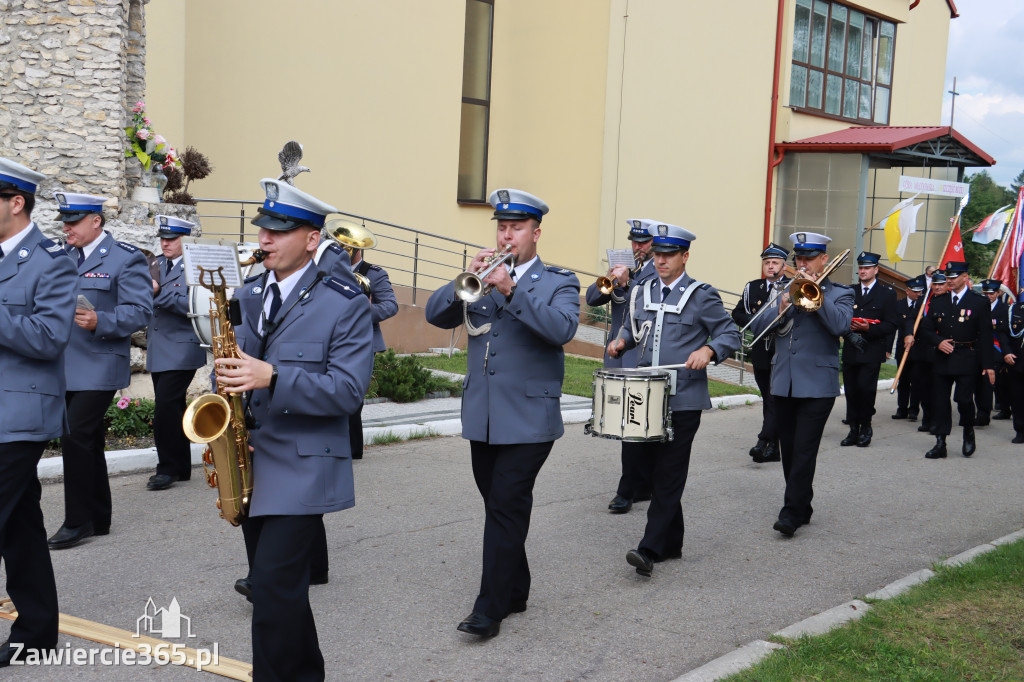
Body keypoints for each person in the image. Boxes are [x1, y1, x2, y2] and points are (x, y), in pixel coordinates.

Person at [214, 178, 373, 679]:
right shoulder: (250, 290)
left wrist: (275, 376)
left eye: (279, 230)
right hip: (253, 461)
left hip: (304, 468)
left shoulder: (345, 299)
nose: (264, 239)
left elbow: (348, 392)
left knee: (271, 592)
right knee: (281, 593)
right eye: (263, 228)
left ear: (311, 239)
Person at [425, 188, 579, 637]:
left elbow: (562, 329)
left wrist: (511, 290)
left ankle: (489, 609)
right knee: (499, 506)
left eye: (516, 227)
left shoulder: (558, 282)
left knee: (506, 505)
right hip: (484, 415)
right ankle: (516, 588)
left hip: (530, 418)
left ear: (536, 232)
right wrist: (465, 276)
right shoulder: (484, 277)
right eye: (502, 226)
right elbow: (437, 316)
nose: (507, 235)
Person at [607, 222, 739, 577]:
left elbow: (730, 332)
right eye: (658, 254)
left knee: (668, 473)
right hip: (646, 395)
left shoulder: (702, 295)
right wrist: (622, 342)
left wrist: (709, 349)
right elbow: (635, 330)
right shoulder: (643, 289)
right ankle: (673, 542)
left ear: (685, 256)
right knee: (652, 472)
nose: (661, 260)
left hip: (683, 398)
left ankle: (648, 549)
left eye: (669, 255)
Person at [0, 157, 75, 666]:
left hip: (19, 413)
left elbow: (49, 338)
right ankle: (36, 630)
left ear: (15, 202)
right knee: (19, 523)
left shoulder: (51, 259)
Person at [48, 192, 152, 550]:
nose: (66, 228)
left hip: (100, 362)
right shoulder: (62, 257)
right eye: (65, 221)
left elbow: (141, 311)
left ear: (95, 221)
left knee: (75, 435)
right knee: (86, 439)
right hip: (66, 364)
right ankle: (99, 516)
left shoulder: (125, 258)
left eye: (73, 221)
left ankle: (77, 521)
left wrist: (101, 320)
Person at [748, 232, 853, 537]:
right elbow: (757, 328)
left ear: (824, 259)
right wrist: (780, 303)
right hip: (783, 381)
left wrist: (814, 294)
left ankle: (790, 512)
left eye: (809, 258)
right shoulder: (782, 290)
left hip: (818, 384)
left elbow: (840, 326)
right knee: (790, 449)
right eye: (799, 259)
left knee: (805, 449)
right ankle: (802, 504)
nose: (803, 264)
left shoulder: (840, 293)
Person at [586, 218, 656, 514]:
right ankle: (641, 485)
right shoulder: (624, 269)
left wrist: (627, 284)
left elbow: (640, 310)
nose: (637, 247)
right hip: (619, 358)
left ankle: (626, 491)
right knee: (631, 426)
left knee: (634, 425)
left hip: (643, 358)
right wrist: (610, 279)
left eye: (643, 242)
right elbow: (591, 298)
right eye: (634, 241)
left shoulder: (657, 272)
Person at [145, 215, 205, 491]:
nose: (165, 243)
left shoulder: (197, 266)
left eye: (172, 238)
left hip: (182, 347)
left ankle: (167, 468)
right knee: (174, 405)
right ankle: (180, 467)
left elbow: (192, 306)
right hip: (159, 347)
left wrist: (157, 293)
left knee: (165, 407)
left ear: (186, 239)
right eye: (163, 238)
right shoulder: (154, 263)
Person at [918, 261, 994, 459]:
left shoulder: (979, 302)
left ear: (965, 277)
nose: (950, 281)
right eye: (948, 277)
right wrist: (938, 341)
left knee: (963, 400)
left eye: (954, 277)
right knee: (940, 401)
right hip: (943, 358)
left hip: (967, 357)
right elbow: (925, 329)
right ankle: (940, 442)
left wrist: (988, 365)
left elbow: (985, 335)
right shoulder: (938, 301)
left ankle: (968, 430)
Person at [731, 242, 790, 462]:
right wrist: (756, 322)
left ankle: (763, 440)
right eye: (767, 263)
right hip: (760, 349)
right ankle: (774, 449)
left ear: (784, 265)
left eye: (775, 263)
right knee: (768, 397)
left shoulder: (793, 286)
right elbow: (737, 313)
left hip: (782, 348)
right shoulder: (753, 287)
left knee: (775, 398)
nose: (770, 267)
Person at [347, 234, 398, 459]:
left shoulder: (374, 274)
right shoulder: (325, 271)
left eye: (347, 246)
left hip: (362, 341)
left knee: (353, 396)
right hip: (331, 338)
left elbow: (390, 305)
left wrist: (364, 311)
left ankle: (353, 449)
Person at [839, 251, 898, 448]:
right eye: (861, 267)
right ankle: (853, 429)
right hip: (850, 347)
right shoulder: (849, 291)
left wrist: (869, 328)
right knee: (852, 390)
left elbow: (891, 325)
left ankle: (866, 426)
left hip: (871, 349)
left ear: (876, 270)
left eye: (866, 268)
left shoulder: (887, 294)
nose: (862, 271)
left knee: (865, 389)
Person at [973, 279, 1008, 427]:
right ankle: (981, 408)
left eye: (991, 293)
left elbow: (1005, 332)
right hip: (977, 351)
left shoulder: (1005, 309)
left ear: (998, 293)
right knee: (977, 384)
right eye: (985, 292)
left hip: (996, 352)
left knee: (988, 383)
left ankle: (983, 414)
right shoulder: (978, 306)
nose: (988, 295)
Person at [892, 275, 925, 421]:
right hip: (902, 347)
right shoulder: (898, 305)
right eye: (916, 291)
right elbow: (895, 326)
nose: (919, 294)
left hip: (918, 349)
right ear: (907, 291)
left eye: (921, 291)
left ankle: (914, 410)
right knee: (903, 380)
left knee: (917, 380)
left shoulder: (924, 306)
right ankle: (902, 409)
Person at [996, 300, 1024, 443]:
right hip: (1016, 361)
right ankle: (1020, 430)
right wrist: (1006, 352)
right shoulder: (1013, 309)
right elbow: (1003, 333)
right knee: (1017, 397)